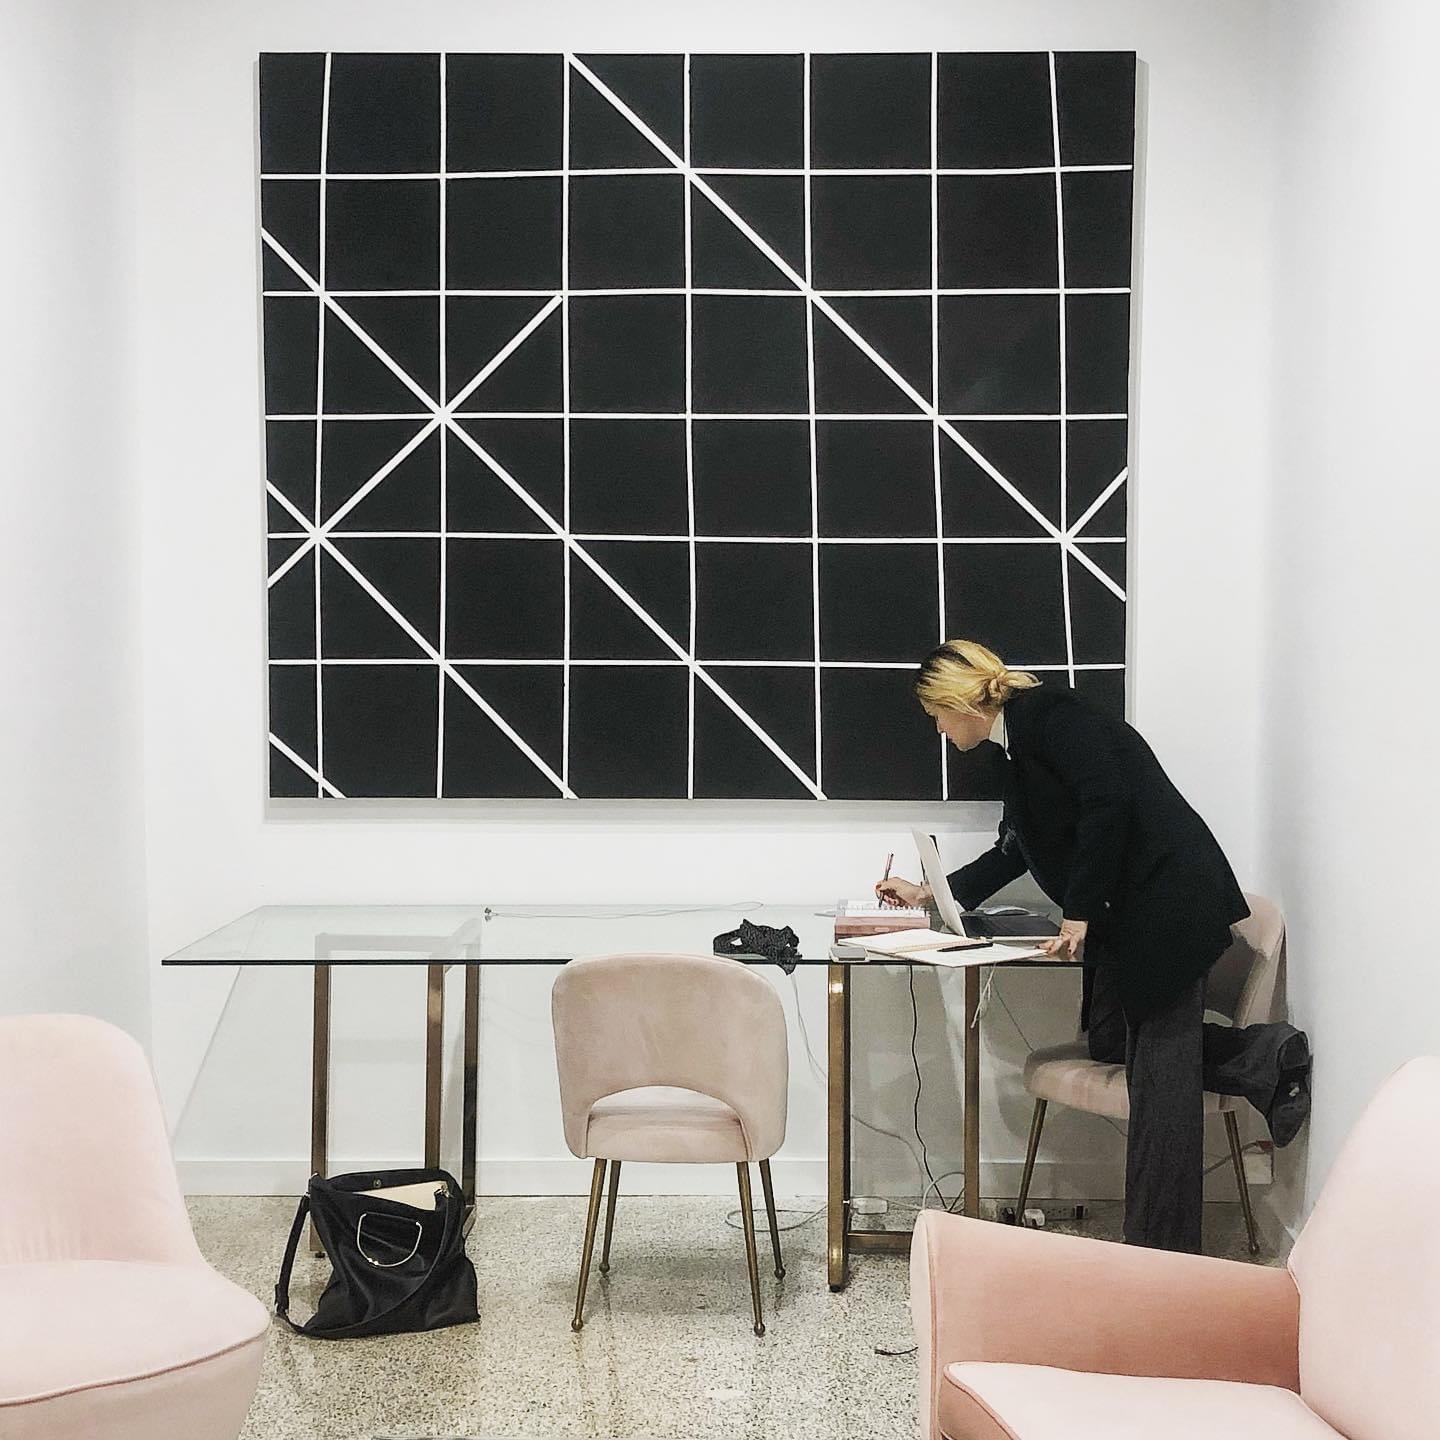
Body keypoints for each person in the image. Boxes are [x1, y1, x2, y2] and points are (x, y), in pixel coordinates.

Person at [876, 639, 1311, 1253]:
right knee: (1110, 1041)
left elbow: (1110, 807)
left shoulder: (1056, 718)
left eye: (937, 716)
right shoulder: (1015, 748)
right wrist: (931, 894)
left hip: (1166, 906)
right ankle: (1266, 1058)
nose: (940, 730)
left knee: (1161, 1078)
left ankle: (1161, 1254)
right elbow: (1017, 848)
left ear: (958, 703)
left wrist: (1076, 911)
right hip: (1125, 913)